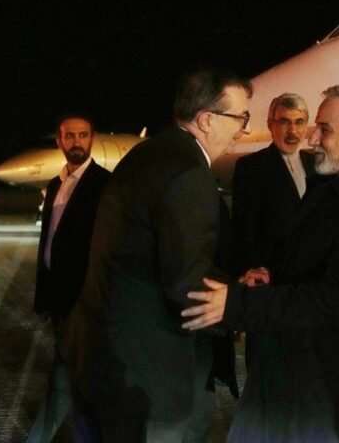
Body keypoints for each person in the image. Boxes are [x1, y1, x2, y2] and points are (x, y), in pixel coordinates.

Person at [182, 85, 339, 442]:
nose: (312, 138)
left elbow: (335, 298)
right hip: (287, 366)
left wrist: (238, 305)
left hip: (323, 386)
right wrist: (272, 274)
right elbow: (309, 259)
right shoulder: (330, 186)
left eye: (324, 129)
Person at [61, 68, 252, 442]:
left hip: (100, 355)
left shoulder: (150, 152)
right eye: (241, 117)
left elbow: (152, 252)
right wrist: (244, 305)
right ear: (207, 120)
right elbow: (186, 286)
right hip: (141, 375)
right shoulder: (188, 172)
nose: (243, 129)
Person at [27, 115, 110, 443]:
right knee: (66, 375)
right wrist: (43, 298)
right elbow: (48, 241)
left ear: (92, 139)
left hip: (84, 301)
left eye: (83, 135)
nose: (77, 142)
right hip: (59, 300)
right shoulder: (55, 184)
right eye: (70, 136)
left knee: (78, 379)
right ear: (59, 141)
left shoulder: (103, 184)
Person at [232, 92, 315, 280]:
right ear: (270, 125)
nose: (293, 131)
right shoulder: (250, 167)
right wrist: (248, 271)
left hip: (311, 275)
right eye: (284, 122)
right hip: (271, 275)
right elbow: (243, 230)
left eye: (299, 122)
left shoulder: (316, 164)